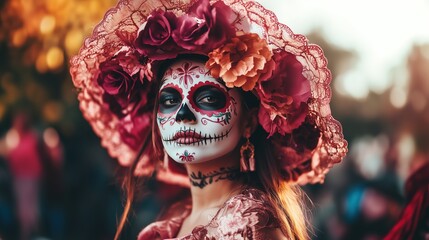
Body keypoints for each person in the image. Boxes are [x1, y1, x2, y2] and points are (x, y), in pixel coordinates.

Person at [70, 0, 348, 239]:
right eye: (169, 101)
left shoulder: (252, 226)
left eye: (208, 99)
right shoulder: (178, 218)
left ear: (250, 121)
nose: (182, 115)